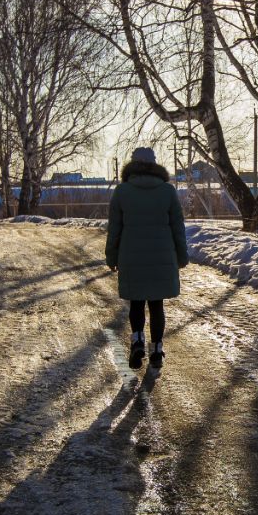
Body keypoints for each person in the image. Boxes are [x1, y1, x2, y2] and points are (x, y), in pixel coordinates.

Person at [105, 146, 189, 370]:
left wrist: (111, 256)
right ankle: (157, 348)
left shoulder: (122, 191)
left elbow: (114, 229)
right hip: (162, 256)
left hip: (131, 256)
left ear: (132, 164)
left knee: (136, 302)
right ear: (154, 165)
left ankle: (137, 341)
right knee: (156, 304)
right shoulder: (167, 191)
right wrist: (182, 256)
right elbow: (177, 227)